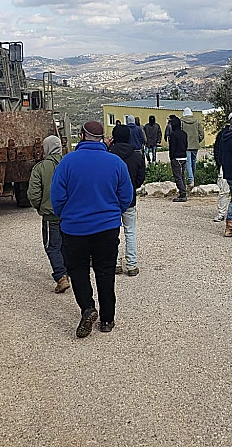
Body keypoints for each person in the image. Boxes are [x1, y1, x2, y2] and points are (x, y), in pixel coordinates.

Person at [51, 121, 133, 337]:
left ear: (81, 135)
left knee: (78, 271)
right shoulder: (115, 163)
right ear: (104, 138)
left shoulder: (67, 162)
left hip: (74, 228)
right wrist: (113, 212)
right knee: (105, 271)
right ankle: (107, 319)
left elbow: (57, 198)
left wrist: (66, 215)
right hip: (107, 228)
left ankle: (87, 308)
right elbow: (126, 196)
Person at [27, 136, 70, 294]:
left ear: (46, 148)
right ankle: (68, 271)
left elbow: (33, 195)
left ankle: (61, 277)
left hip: (50, 216)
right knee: (66, 244)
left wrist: (40, 207)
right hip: (69, 215)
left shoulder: (40, 168)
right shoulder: (69, 164)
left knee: (52, 246)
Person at [109, 125, 146, 277]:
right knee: (130, 231)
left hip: (111, 199)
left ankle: (116, 263)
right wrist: (132, 187)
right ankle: (132, 265)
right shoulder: (137, 155)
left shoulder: (108, 154)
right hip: (129, 198)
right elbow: (140, 178)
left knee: (113, 232)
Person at [181, 107, 204, 187]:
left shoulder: (182, 122)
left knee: (188, 162)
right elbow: (201, 133)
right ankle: (192, 178)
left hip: (186, 146)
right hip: (195, 145)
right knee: (194, 161)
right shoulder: (197, 121)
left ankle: (191, 180)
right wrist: (197, 140)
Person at [167, 116, 189, 202]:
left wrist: (171, 157)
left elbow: (172, 147)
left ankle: (183, 194)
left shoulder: (173, 135)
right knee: (182, 175)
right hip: (184, 156)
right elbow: (186, 145)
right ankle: (183, 191)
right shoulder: (184, 133)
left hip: (176, 157)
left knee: (178, 177)